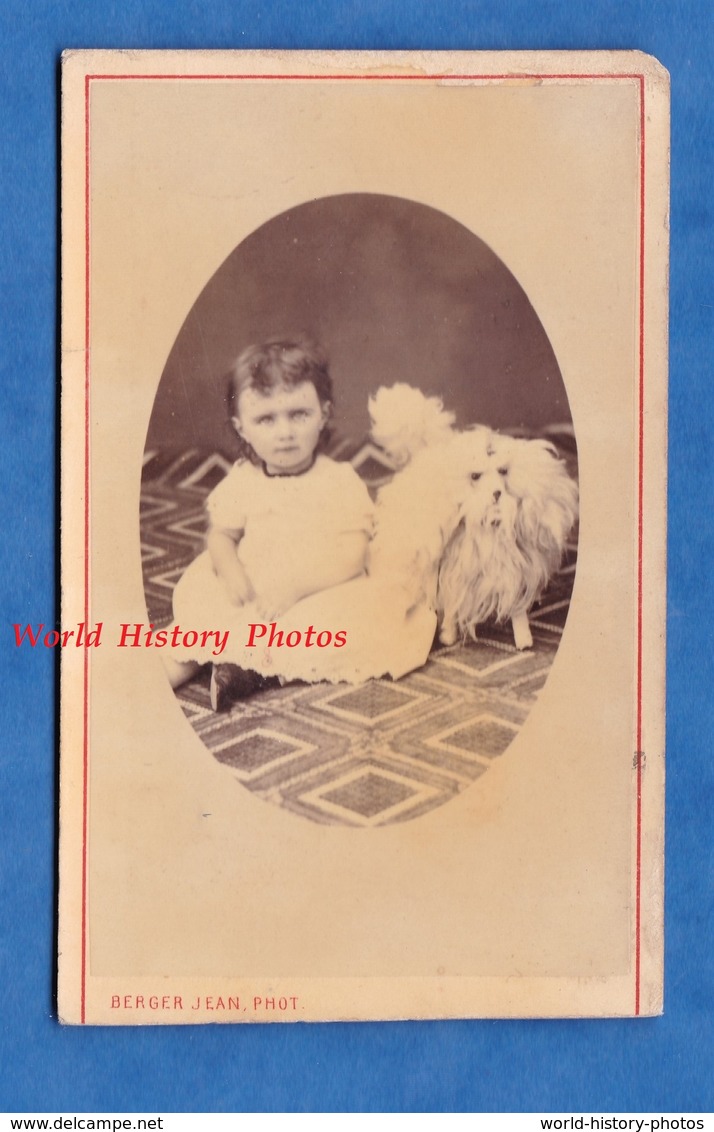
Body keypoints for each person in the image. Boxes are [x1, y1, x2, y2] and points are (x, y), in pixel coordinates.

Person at [163, 337, 377, 710]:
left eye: (299, 414)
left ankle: (246, 672)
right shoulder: (245, 479)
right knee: (198, 625)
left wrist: (296, 588)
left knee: (339, 630)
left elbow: (353, 555)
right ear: (242, 427)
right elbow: (222, 535)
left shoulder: (338, 480)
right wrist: (231, 571)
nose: (285, 432)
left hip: (317, 584)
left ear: (323, 414)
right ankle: (146, 683)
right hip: (257, 583)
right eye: (266, 418)